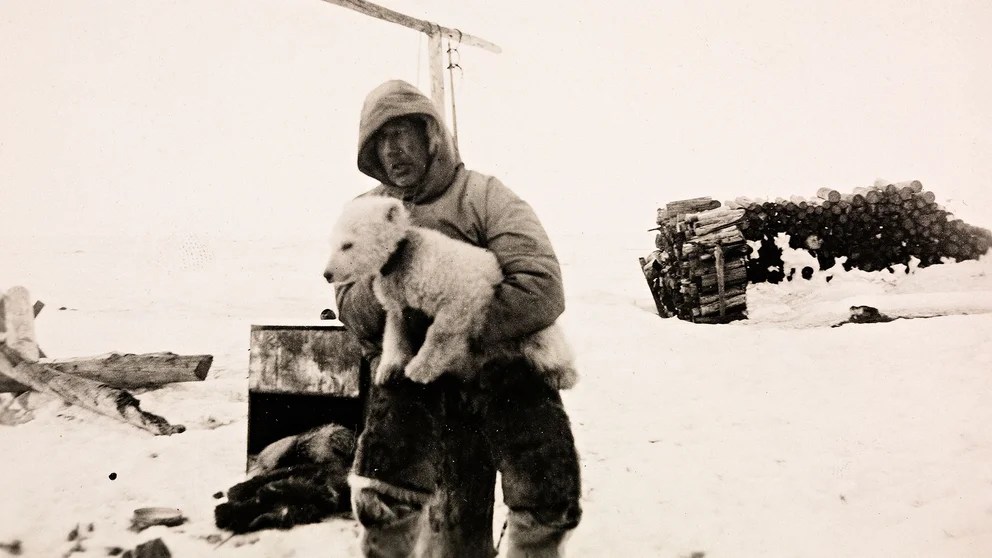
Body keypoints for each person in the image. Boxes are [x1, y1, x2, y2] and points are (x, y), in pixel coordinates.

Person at [332, 79, 581, 557]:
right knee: (393, 509)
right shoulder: (364, 213)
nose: (394, 151)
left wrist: (457, 331)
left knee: (546, 495)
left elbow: (541, 287)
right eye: (380, 141)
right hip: (412, 390)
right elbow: (352, 312)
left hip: (498, 374)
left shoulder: (484, 196)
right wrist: (388, 272)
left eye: (403, 133)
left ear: (431, 136)